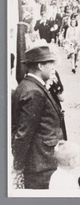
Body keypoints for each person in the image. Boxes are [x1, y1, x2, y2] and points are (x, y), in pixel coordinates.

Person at [11, 45, 65, 189]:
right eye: (50, 63)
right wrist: (18, 166)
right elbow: (24, 133)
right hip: (41, 164)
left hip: (40, 161)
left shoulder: (29, 86)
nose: (53, 67)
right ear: (41, 66)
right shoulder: (33, 91)